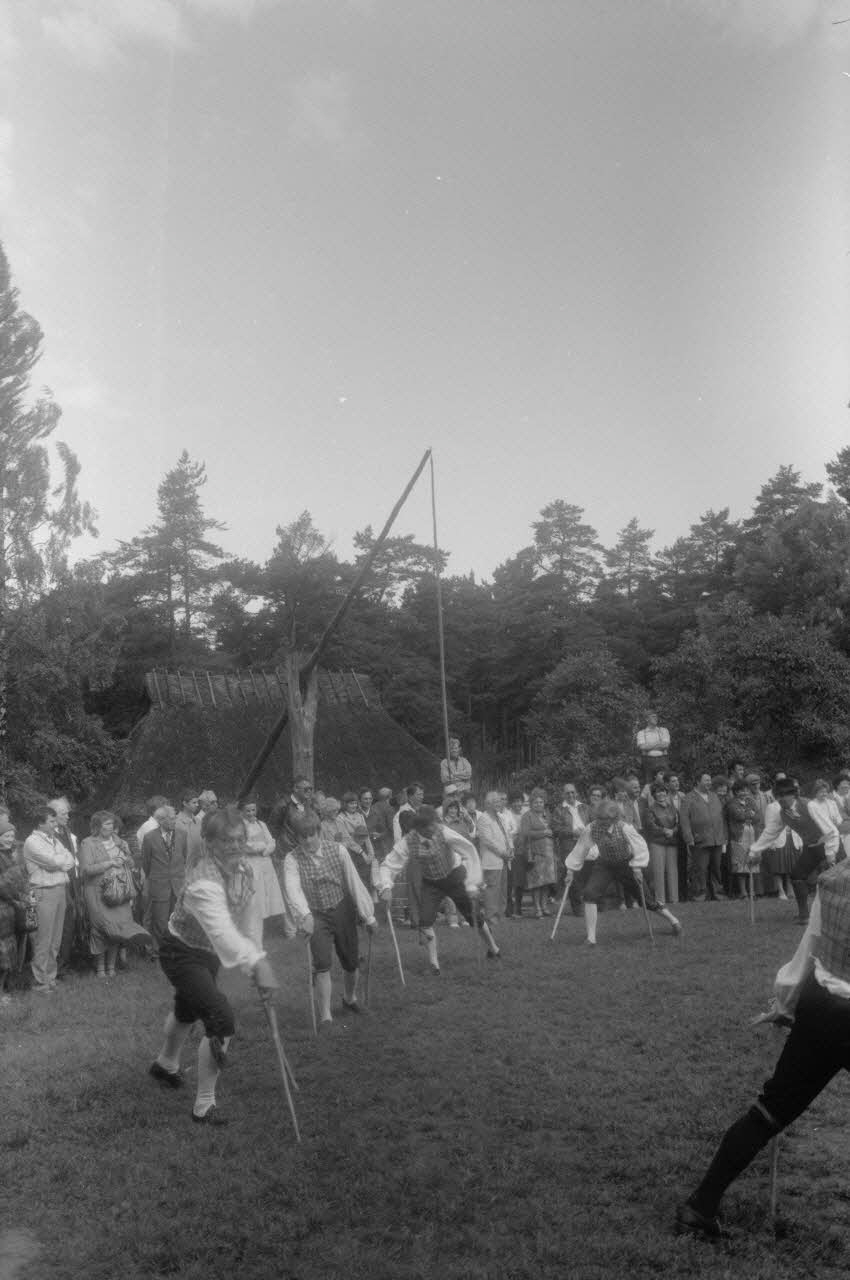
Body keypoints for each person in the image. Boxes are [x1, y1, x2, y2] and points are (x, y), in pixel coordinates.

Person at [676, 855, 850, 1240]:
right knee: (771, 1109)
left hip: (822, 1003)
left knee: (770, 1110)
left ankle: (699, 1206)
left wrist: (786, 1003)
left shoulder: (834, 877)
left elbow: (811, 948)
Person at [149, 806, 278, 1124]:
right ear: (209, 843)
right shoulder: (202, 881)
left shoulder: (245, 870)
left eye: (240, 839)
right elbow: (223, 933)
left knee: (187, 1009)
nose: (235, 846)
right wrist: (257, 966)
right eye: (226, 841)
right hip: (180, 952)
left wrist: (256, 963)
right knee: (220, 1017)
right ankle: (204, 1106)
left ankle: (164, 1065)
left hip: (206, 953)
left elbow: (249, 925)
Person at [283, 812, 377, 1031]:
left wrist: (368, 915)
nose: (307, 841)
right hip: (315, 914)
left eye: (311, 835)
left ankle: (349, 998)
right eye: (302, 837)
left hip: (342, 909)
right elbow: (293, 889)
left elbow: (354, 882)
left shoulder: (339, 850)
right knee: (322, 963)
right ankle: (325, 1015)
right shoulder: (292, 859)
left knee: (351, 961)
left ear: (319, 832)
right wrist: (304, 916)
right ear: (297, 838)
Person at [378, 806, 500, 972]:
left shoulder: (444, 832)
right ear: (419, 828)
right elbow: (389, 865)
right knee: (425, 920)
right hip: (431, 883)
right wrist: (386, 886)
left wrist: (472, 883)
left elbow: (469, 851)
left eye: (434, 824)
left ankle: (494, 949)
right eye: (429, 826)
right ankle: (434, 964)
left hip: (454, 876)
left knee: (473, 915)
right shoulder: (408, 842)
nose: (433, 828)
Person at [565, 800, 683, 946]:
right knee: (590, 894)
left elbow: (640, 847)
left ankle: (673, 921)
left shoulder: (625, 828)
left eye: (606, 820)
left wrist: (637, 867)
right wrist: (570, 870)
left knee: (646, 900)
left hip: (626, 864)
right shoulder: (591, 828)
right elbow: (580, 849)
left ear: (614, 818)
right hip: (604, 865)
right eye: (600, 819)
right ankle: (591, 938)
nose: (602, 822)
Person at [747, 777, 839, 925]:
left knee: (836, 882)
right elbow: (771, 832)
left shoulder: (809, 805)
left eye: (784, 795)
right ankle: (804, 916)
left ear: (794, 794)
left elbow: (830, 829)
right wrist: (754, 850)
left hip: (831, 845)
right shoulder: (782, 813)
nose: (780, 799)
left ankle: (839, 917)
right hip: (812, 847)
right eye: (778, 796)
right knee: (797, 875)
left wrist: (830, 853)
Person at [78, 811, 150, 978]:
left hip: (121, 892)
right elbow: (86, 870)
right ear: (97, 827)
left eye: (112, 824)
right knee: (101, 928)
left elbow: (132, 864)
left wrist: (127, 855)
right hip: (98, 892)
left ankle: (112, 967)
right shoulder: (87, 843)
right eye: (106, 824)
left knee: (118, 928)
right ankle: (100, 968)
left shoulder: (119, 842)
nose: (110, 828)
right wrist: (109, 863)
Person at [23, 807, 75, 995]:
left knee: (55, 938)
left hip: (60, 889)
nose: (55, 824)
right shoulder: (32, 841)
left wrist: (59, 862)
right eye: (51, 821)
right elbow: (52, 863)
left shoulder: (54, 840)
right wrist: (59, 862)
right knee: (43, 938)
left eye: (55, 821)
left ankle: (50, 977)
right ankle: (40, 980)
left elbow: (70, 860)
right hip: (44, 891)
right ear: (40, 823)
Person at [238, 798, 288, 947]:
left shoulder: (261, 824)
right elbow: (246, 846)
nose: (251, 813)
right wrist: (261, 846)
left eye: (253, 810)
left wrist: (267, 849)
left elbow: (271, 841)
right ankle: (251, 932)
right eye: (248, 810)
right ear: (242, 812)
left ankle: (262, 930)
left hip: (265, 862)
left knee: (268, 894)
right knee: (255, 896)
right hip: (251, 863)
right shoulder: (241, 827)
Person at [140, 805, 183, 959]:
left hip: (178, 884)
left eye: (175, 818)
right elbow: (145, 863)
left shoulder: (182, 834)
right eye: (171, 819)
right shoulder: (150, 837)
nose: (175, 821)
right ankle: (161, 950)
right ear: (161, 820)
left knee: (177, 920)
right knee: (160, 921)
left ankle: (176, 949)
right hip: (159, 884)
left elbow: (185, 858)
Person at [679, 772, 727, 902]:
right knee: (700, 870)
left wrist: (723, 836)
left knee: (717, 869)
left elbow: (721, 817)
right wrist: (689, 838)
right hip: (699, 840)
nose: (709, 783)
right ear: (697, 782)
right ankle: (699, 896)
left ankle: (718, 894)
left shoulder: (714, 796)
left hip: (717, 839)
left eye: (710, 781)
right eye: (706, 780)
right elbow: (684, 820)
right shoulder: (688, 798)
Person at [0, 820, 33, 1002]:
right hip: (2, 909)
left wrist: (23, 893)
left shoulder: (10, 855)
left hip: (9, 911)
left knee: (7, 953)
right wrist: (16, 894)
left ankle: (5, 990)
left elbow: (19, 880)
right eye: (5, 836)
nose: (9, 839)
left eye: (11, 836)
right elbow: (5, 884)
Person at [48, 797, 80, 978]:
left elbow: (73, 860)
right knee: (57, 927)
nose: (67, 816)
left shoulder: (68, 833)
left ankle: (63, 965)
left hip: (71, 884)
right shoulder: (48, 835)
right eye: (63, 813)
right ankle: (55, 968)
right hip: (57, 884)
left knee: (69, 925)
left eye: (67, 812)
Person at [515, 789, 556, 918]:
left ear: (544, 803)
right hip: (536, 853)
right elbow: (525, 833)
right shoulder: (527, 816)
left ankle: (544, 906)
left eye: (541, 802)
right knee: (536, 882)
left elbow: (553, 830)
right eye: (536, 802)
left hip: (549, 853)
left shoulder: (547, 814)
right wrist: (543, 833)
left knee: (546, 882)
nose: (539, 804)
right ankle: (537, 908)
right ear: (531, 804)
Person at [475, 791, 513, 926]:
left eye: (499, 801)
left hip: (504, 860)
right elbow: (488, 841)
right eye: (496, 802)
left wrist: (510, 849)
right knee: (492, 889)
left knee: (502, 890)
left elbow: (507, 835)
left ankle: (500, 916)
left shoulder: (500, 817)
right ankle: (491, 917)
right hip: (492, 860)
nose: (499, 804)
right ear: (488, 804)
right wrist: (503, 852)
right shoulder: (484, 819)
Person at [551, 783, 589, 916]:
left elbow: (592, 823)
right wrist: (573, 832)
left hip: (586, 844)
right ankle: (578, 907)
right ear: (563, 795)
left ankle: (590, 904)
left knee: (587, 874)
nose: (571, 795)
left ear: (576, 793)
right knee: (575, 877)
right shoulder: (559, 810)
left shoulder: (584, 807)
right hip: (569, 846)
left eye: (573, 792)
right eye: (568, 793)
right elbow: (555, 829)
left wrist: (586, 831)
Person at [643, 780, 680, 905]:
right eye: (658, 792)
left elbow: (678, 824)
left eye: (663, 791)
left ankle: (675, 899)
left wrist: (673, 831)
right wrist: (665, 831)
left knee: (673, 871)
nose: (661, 794)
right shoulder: (650, 809)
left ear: (666, 793)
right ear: (653, 794)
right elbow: (650, 826)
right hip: (657, 843)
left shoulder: (672, 808)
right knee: (658, 872)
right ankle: (660, 900)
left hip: (671, 842)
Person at [725, 779, 756, 900]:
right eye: (742, 790)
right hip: (738, 837)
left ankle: (751, 891)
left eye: (746, 790)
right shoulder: (731, 803)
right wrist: (749, 813)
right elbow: (739, 816)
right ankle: (743, 893)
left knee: (751, 864)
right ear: (736, 792)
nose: (745, 792)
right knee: (740, 866)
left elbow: (758, 816)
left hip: (752, 837)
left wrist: (748, 813)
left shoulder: (750, 801)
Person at [635, 710, 670, 784]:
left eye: (656, 717)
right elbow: (642, 747)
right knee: (649, 783)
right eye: (653, 717)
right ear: (647, 719)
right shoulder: (641, 733)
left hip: (662, 760)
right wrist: (659, 744)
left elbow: (666, 745)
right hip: (648, 761)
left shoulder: (663, 730)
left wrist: (649, 745)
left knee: (665, 782)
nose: (656, 718)